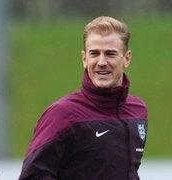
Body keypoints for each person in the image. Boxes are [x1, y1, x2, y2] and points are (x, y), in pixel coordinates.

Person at [19, 16, 148, 180]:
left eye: (110, 54)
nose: (101, 62)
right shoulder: (62, 113)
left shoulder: (138, 110)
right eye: (94, 53)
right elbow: (32, 176)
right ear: (84, 58)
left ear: (127, 58)